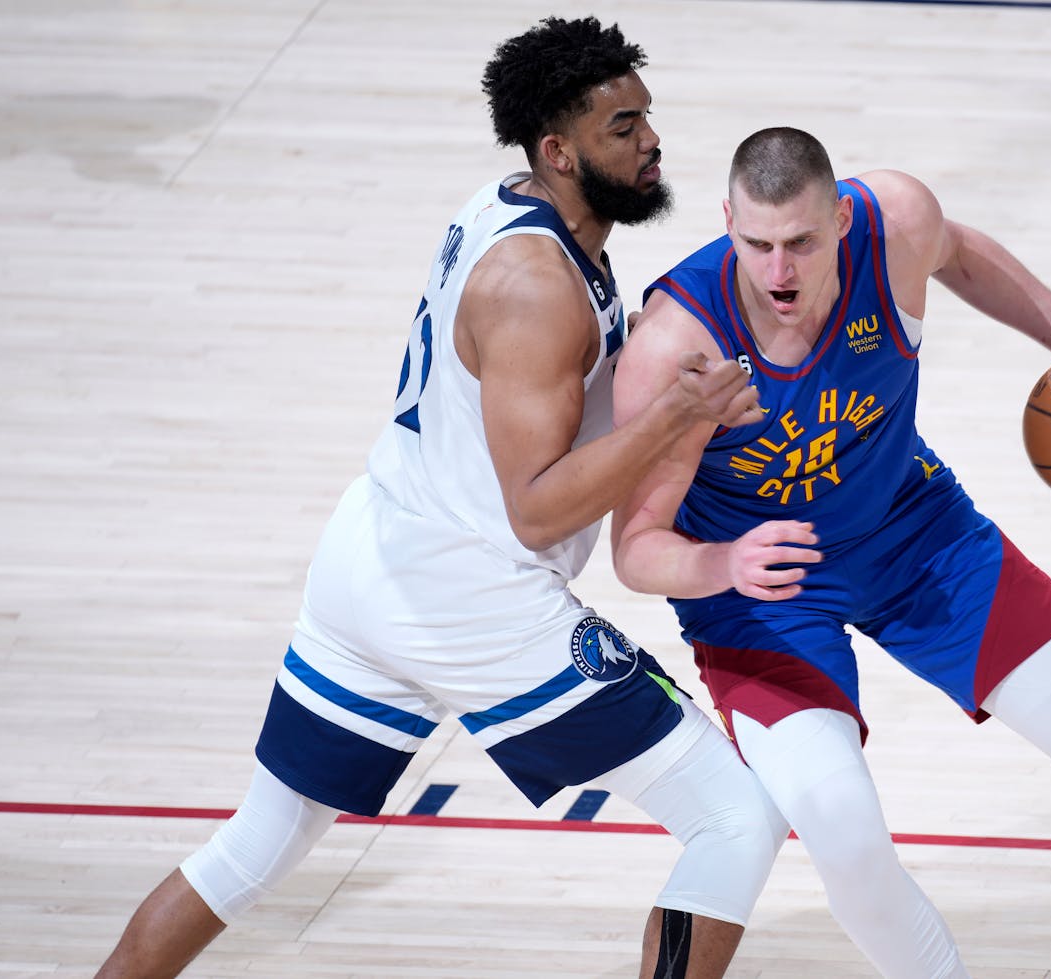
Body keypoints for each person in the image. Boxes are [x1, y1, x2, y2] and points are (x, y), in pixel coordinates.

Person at [96, 18, 790, 979]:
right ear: (558, 151)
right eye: (622, 127)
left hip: (373, 559)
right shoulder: (534, 285)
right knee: (737, 814)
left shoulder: (516, 205)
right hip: (474, 595)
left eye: (646, 118)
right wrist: (675, 417)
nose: (650, 141)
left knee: (253, 850)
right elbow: (538, 510)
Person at [610, 126, 1051, 979]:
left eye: (801, 243)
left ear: (841, 222)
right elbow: (635, 548)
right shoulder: (680, 347)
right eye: (757, 244)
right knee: (845, 835)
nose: (779, 270)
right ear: (726, 222)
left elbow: (962, 255)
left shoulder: (893, 218)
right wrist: (723, 564)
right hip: (759, 591)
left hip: (913, 529)